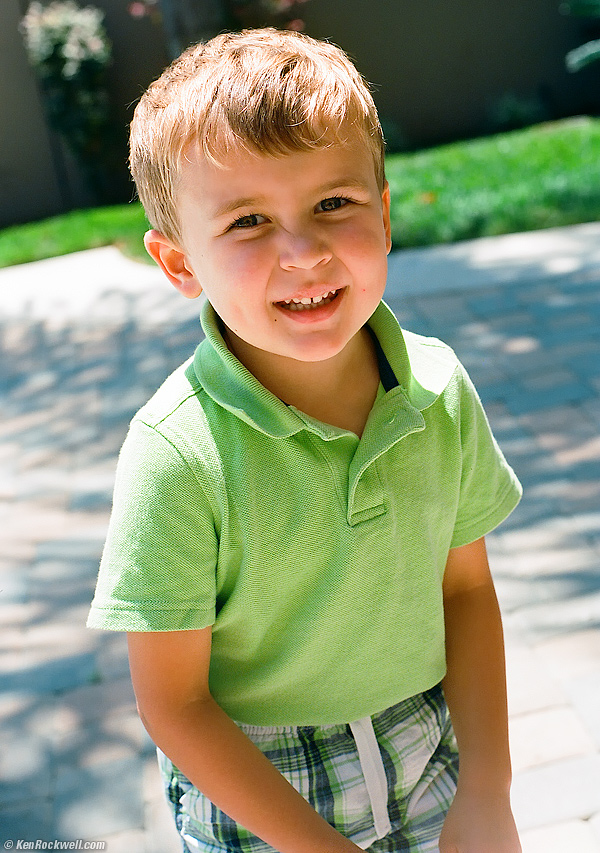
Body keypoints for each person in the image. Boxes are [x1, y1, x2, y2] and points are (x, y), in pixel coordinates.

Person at [88, 27, 523, 853]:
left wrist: (491, 789)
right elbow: (175, 704)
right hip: (262, 792)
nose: (303, 251)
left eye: (333, 203)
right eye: (248, 222)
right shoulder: (177, 456)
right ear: (180, 265)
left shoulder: (436, 387)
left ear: (385, 212)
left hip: (429, 747)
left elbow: (466, 592)